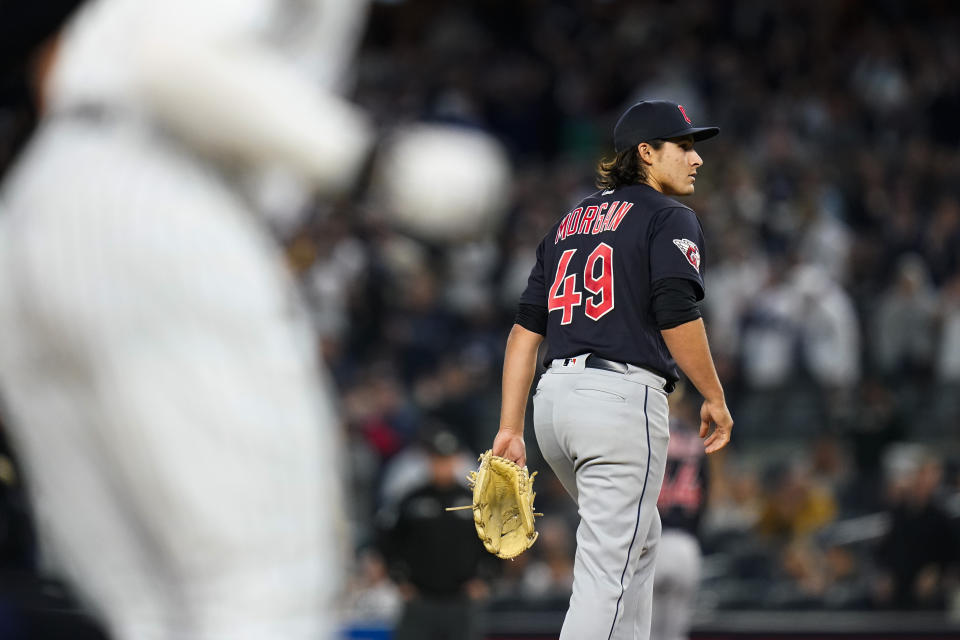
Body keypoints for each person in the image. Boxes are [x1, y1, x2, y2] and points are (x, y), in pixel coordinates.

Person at [0, 1, 374, 638]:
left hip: (39, 203)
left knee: (156, 610)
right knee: (264, 585)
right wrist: (364, 161)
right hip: (159, 187)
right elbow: (171, 60)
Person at [490, 99, 733, 640]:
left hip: (554, 405)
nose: (696, 159)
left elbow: (524, 333)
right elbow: (676, 312)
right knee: (608, 572)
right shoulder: (669, 215)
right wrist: (713, 396)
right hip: (617, 401)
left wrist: (510, 427)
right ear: (646, 153)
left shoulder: (568, 224)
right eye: (684, 146)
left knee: (640, 542)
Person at [376, 429, 491, 640]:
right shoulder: (411, 500)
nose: (442, 466)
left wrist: (487, 579)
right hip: (420, 598)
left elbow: (493, 542)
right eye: (437, 460)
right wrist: (399, 579)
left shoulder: (474, 501)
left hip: (461, 599)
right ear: (428, 461)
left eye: (447, 460)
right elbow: (388, 540)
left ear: (456, 460)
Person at [651, 386, 709, 640]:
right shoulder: (695, 441)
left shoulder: (646, 435)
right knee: (675, 634)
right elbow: (705, 495)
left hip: (650, 543)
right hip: (686, 543)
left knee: (643, 631)